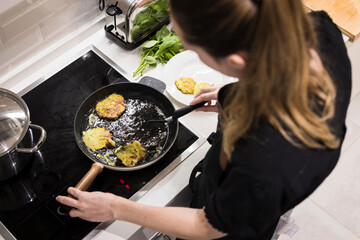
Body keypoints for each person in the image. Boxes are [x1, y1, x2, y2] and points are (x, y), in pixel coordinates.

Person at [56, 0, 352, 239]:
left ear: (236, 60)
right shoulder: (319, 30)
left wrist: (117, 208)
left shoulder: (268, 160)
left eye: (195, 51)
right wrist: (235, 92)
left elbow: (209, 226)